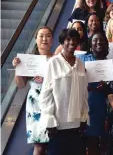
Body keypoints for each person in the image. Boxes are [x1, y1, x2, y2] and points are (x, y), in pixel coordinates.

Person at [39, 29, 88, 155]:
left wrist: (84, 118)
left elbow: (84, 94)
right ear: (62, 42)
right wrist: (49, 120)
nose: (72, 42)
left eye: (75, 40)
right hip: (58, 126)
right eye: (68, 39)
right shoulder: (53, 63)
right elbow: (46, 94)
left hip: (77, 126)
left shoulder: (81, 64)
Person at [12, 27, 53, 155]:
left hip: (53, 102)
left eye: (48, 36)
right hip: (35, 104)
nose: (44, 39)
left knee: (55, 144)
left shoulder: (57, 59)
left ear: (52, 40)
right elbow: (21, 84)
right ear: (36, 39)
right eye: (41, 36)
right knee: (39, 144)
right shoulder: (28, 60)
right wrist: (17, 69)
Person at [76, 31, 109, 155]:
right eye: (95, 40)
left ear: (106, 44)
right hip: (83, 105)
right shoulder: (81, 59)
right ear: (90, 44)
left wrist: (106, 87)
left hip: (100, 106)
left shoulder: (110, 64)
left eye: (101, 40)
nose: (98, 42)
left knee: (93, 142)